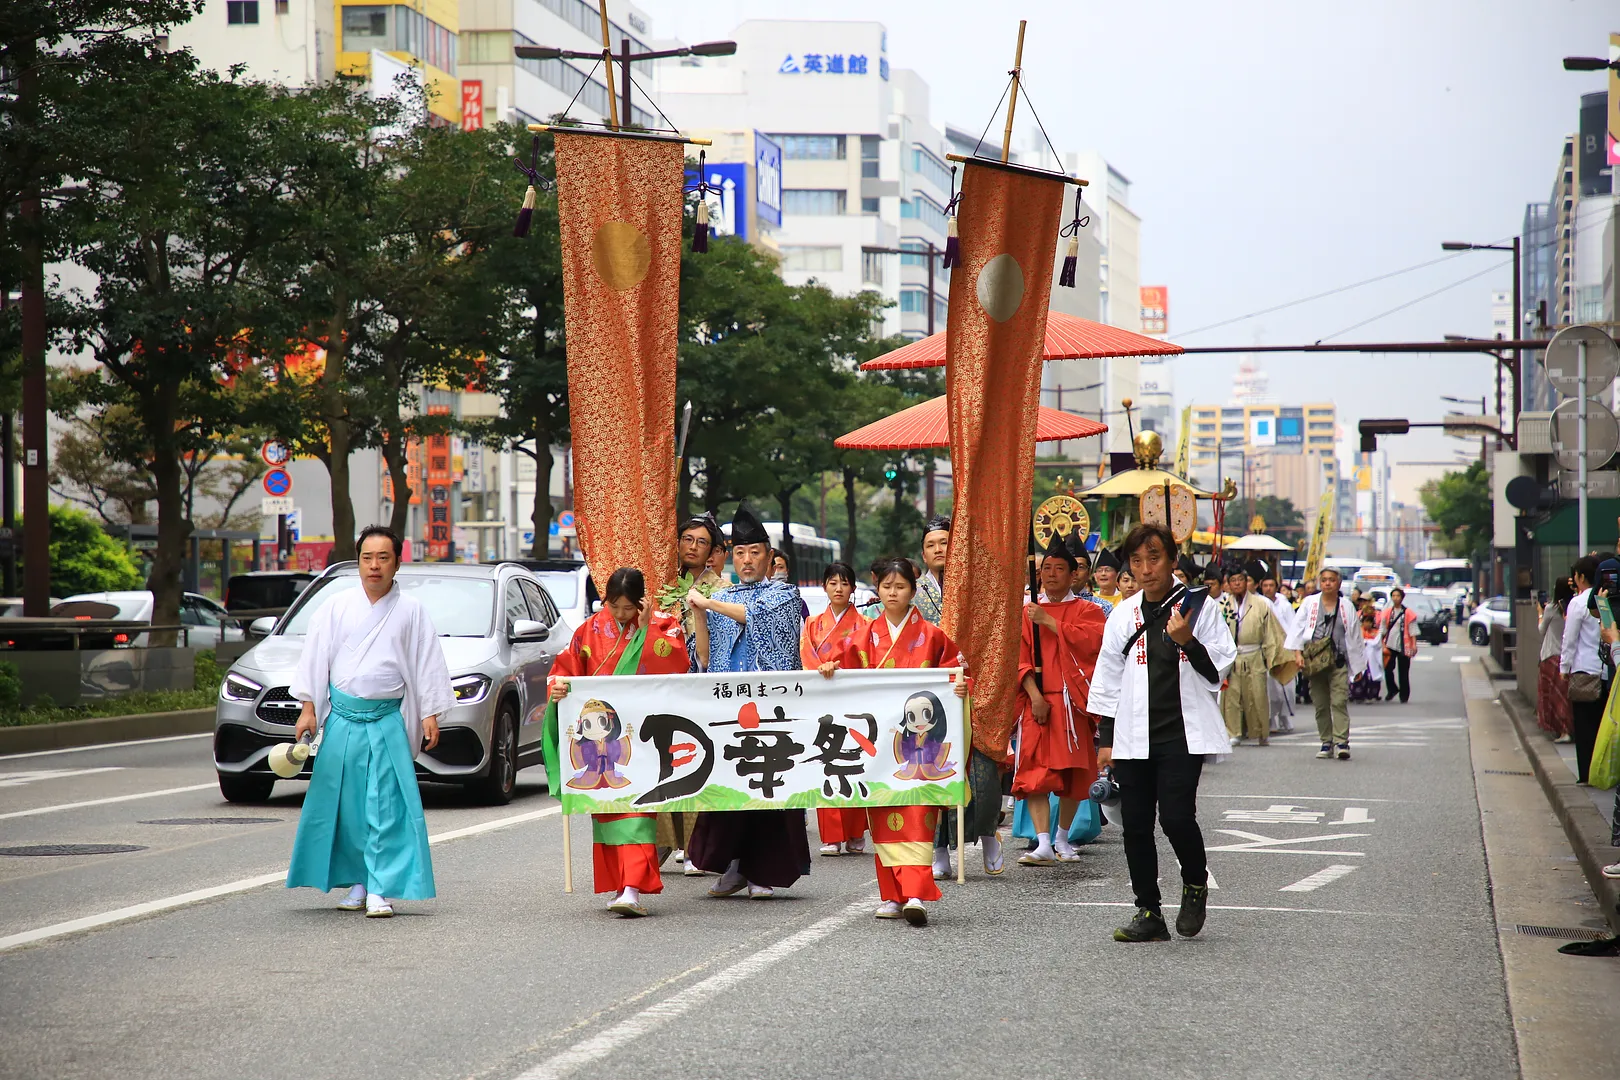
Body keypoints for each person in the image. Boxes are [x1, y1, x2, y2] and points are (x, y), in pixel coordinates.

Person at [286, 525, 453, 919]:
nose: (374, 566)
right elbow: (315, 658)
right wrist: (308, 708)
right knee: (346, 804)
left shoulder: (411, 611)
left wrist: (430, 712)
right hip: (342, 718)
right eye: (366, 558)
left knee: (388, 806)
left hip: (385, 719)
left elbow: (426, 664)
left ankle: (381, 887)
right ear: (357, 561)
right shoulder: (334, 607)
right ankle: (358, 882)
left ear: (397, 563)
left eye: (383, 558)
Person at [1089, 523, 1237, 942]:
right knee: (1134, 825)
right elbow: (1108, 679)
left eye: (1154, 558)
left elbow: (1219, 669)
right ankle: (1148, 911)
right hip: (1134, 735)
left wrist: (1188, 641)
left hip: (1181, 734)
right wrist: (1106, 739)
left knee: (1175, 818)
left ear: (1172, 560)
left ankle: (1194, 885)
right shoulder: (1123, 614)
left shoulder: (1199, 608)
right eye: (1136, 561)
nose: (1145, 568)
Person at [822, 557, 970, 926]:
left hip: (922, 745)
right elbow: (837, 667)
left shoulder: (933, 637)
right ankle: (890, 893)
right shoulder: (862, 638)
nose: (893, 593)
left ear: (912, 592)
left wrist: (959, 685)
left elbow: (957, 669)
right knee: (884, 815)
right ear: (877, 589)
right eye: (886, 586)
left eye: (900, 587)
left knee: (918, 813)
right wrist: (830, 669)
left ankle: (916, 892)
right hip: (879, 746)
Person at [545, 568, 690, 917]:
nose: (622, 615)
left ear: (641, 602)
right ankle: (619, 883)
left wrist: (644, 630)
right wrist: (559, 686)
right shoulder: (589, 630)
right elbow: (565, 668)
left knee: (637, 808)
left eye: (628, 608)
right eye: (615, 607)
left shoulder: (662, 628)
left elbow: (677, 666)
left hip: (642, 736)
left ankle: (632, 887)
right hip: (600, 736)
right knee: (608, 806)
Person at [686, 504, 811, 897]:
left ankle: (764, 872)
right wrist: (700, 615)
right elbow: (705, 659)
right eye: (739, 553)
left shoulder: (784, 594)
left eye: (754, 552)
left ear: (770, 557)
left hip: (774, 711)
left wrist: (708, 603)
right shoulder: (723, 597)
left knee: (769, 789)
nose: (746, 560)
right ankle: (735, 866)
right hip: (730, 710)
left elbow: (751, 614)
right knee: (730, 790)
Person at [1015, 533, 1107, 865]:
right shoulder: (1026, 611)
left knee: (1072, 775)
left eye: (1059, 569)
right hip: (1037, 703)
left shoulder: (1088, 610)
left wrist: (1050, 622)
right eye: (1046, 568)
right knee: (1036, 774)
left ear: (1073, 575)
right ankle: (1041, 842)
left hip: (1072, 704)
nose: (1051, 574)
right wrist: (1035, 696)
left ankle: (1062, 837)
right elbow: (1020, 657)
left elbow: (1092, 644)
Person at [801, 562, 870, 856]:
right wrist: (822, 669)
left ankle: (855, 831)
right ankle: (831, 835)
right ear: (825, 587)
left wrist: (839, 668)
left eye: (844, 583)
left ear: (853, 588)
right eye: (833, 582)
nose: (838, 588)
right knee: (826, 760)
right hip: (822, 698)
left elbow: (869, 659)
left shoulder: (865, 624)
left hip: (852, 699)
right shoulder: (812, 624)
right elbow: (805, 653)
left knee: (852, 762)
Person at [1286, 567, 1364, 760]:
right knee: (1320, 704)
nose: (1328, 583)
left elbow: (1355, 637)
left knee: (1339, 701)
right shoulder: (1310, 603)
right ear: (1320, 582)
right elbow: (1297, 629)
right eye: (1325, 580)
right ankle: (1326, 741)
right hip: (1315, 661)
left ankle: (1341, 742)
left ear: (1338, 583)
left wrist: (1358, 665)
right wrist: (1298, 654)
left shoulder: (1346, 606)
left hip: (1338, 661)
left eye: (1332, 580)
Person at [1220, 563, 1293, 748]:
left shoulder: (1261, 604)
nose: (1236, 584)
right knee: (1232, 696)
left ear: (1247, 583)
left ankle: (1261, 732)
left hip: (1254, 654)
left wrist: (1272, 658)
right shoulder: (1222, 605)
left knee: (1258, 695)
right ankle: (1233, 732)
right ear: (1228, 584)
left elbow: (1271, 634)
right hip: (1232, 656)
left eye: (1240, 580)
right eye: (1233, 581)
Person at [1561, 556, 1606, 784]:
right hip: (1605, 670)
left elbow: (1569, 639)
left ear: (1580, 577)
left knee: (1584, 725)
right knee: (1602, 725)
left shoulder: (1578, 603)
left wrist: (1564, 667)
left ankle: (1586, 773)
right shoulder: (1604, 599)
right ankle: (1603, 771)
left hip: (1584, 671)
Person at [1256, 565, 1297, 734]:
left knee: (1287, 686)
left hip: (1286, 646)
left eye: (1271, 585)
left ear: (1276, 586)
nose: (1268, 589)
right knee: (1270, 687)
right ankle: (1271, 718)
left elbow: (1293, 626)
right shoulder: (1260, 603)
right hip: (1269, 647)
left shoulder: (1284, 604)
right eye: (1265, 586)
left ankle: (1285, 716)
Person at [1537, 578, 1574, 740]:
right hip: (1567, 655)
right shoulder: (1572, 607)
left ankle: (1562, 731)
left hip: (1551, 655)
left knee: (1551, 695)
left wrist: (1539, 612)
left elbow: (1541, 630)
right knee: (1564, 695)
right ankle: (1567, 729)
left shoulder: (1550, 609)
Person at [1377, 587, 1418, 705]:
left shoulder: (1408, 613)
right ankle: (1392, 689)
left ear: (1402, 597)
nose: (1395, 598)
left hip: (1404, 644)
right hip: (1389, 643)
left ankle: (1404, 695)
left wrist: (1414, 644)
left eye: (1398, 596)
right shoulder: (1387, 612)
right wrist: (1380, 641)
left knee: (1403, 671)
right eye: (1393, 596)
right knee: (1388, 668)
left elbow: (1413, 630)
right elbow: (1383, 628)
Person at [916, 515, 951, 625]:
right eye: (930, 545)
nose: (937, 550)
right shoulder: (912, 591)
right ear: (924, 556)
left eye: (944, 543)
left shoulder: (971, 588)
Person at [1067, 536, 1115, 616]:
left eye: (1081, 567)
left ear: (1089, 572)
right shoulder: (1048, 604)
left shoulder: (1104, 608)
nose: (1075, 572)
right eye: (1070, 566)